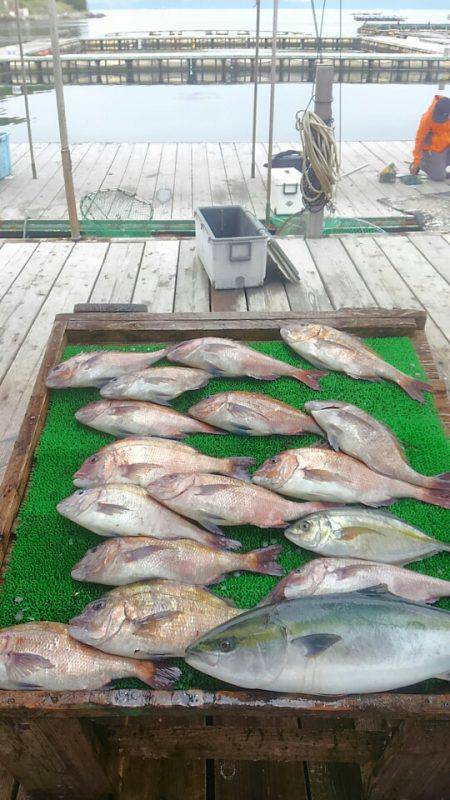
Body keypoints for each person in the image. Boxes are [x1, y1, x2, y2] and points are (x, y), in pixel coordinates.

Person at [410, 95, 450, 181]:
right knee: (438, 177)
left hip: (447, 144)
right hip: (434, 148)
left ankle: (440, 166)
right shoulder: (427, 119)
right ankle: (422, 163)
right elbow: (419, 141)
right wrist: (416, 161)